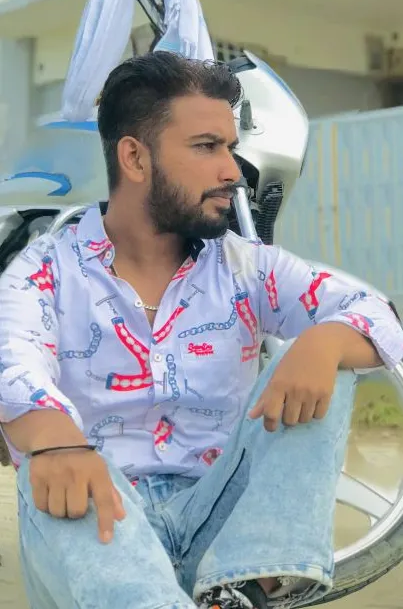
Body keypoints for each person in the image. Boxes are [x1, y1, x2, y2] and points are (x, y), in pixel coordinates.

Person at [1, 53, 402, 609]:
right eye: (207, 146)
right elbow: (11, 361)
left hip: (221, 525)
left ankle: (245, 591)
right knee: (53, 469)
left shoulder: (247, 267)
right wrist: (57, 444)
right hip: (102, 532)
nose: (233, 171)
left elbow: (377, 313)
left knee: (329, 356)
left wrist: (325, 341)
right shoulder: (45, 269)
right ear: (135, 158)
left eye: (231, 148)